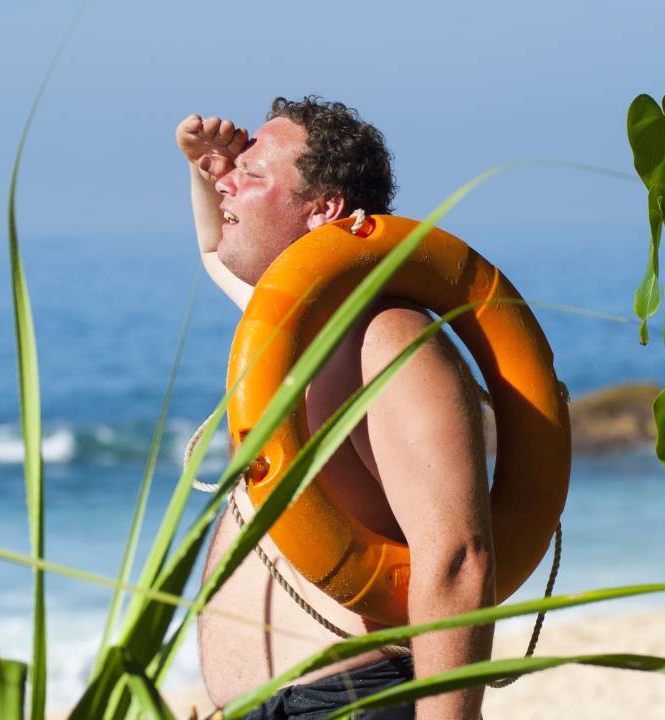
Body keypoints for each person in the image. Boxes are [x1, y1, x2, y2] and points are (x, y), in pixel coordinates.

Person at [178, 97, 493, 720]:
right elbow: (214, 252)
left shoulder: (384, 340)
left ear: (323, 209)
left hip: (354, 700)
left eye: (252, 173)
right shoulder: (292, 330)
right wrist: (203, 169)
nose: (226, 185)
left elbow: (458, 559)